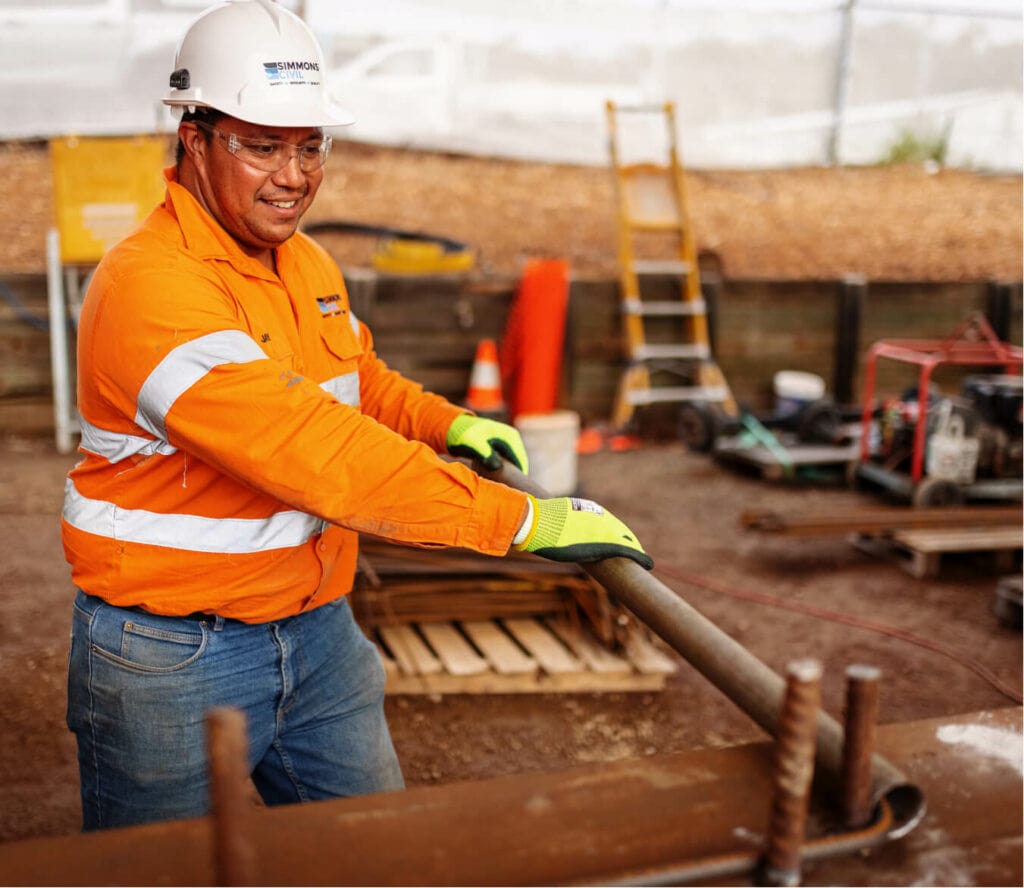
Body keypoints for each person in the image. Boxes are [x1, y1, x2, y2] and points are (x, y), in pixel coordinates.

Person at [62, 0, 652, 832]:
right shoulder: (151, 290)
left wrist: (445, 423)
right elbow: (313, 450)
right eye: (262, 145)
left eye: (309, 148)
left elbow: (355, 377)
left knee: (375, 855)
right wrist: (516, 518)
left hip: (317, 630)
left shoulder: (303, 261)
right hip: (174, 652)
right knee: (155, 874)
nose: (293, 176)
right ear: (194, 142)